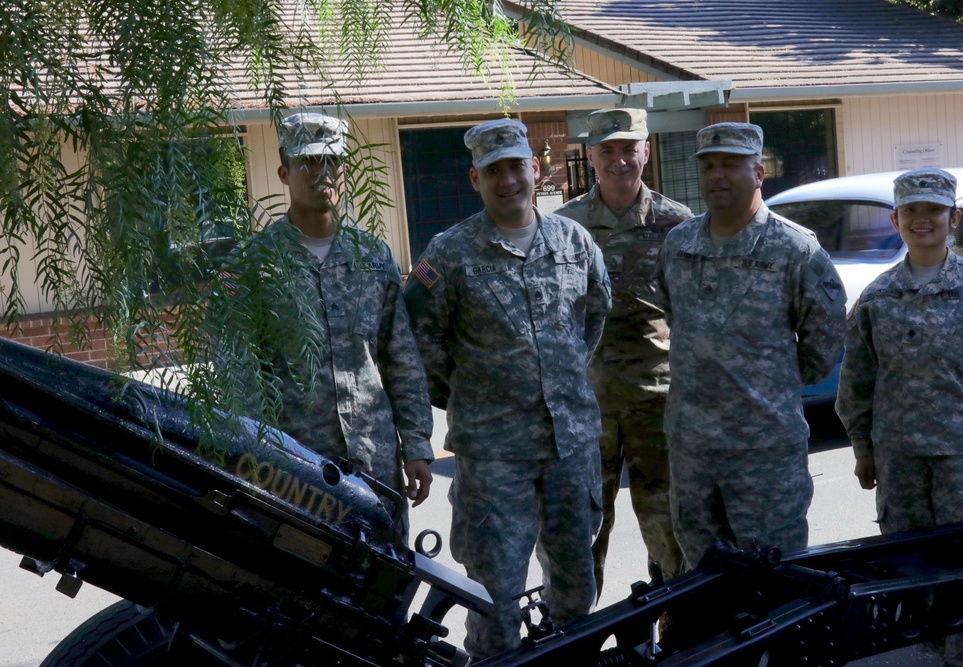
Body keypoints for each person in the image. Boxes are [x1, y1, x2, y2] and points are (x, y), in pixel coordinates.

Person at [402, 118, 611, 659]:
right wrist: (473, 396)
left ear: (534, 168)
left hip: (570, 450)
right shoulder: (447, 256)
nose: (507, 180)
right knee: (495, 599)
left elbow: (592, 320)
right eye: (492, 171)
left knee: (576, 590)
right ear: (476, 179)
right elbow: (419, 345)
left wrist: (558, 381)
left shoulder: (575, 242)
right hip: (494, 457)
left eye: (515, 166)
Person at [221, 112, 434, 532]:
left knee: (385, 578)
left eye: (332, 161)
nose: (322, 174)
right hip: (296, 467)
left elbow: (400, 359)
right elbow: (239, 372)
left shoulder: (374, 257)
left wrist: (417, 446)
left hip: (376, 462)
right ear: (284, 172)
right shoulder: (250, 266)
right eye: (309, 163)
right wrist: (254, 457)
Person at [656, 122, 846, 567]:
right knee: (701, 578)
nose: (717, 175)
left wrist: (767, 383)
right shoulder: (679, 243)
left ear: (759, 172)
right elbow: (673, 314)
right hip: (692, 448)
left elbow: (823, 340)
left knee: (774, 578)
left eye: (730, 165)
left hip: (764, 450)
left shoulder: (794, 249)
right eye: (708, 166)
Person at [836, 168, 963, 666]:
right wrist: (863, 450)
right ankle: (925, 652)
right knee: (909, 563)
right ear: (895, 220)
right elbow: (858, 379)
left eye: (933, 211)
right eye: (911, 212)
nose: (922, 220)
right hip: (899, 456)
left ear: (954, 218)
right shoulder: (879, 296)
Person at [556, 108, 692, 595]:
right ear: (590, 155)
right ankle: (578, 640)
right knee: (582, 533)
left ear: (646, 151)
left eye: (628, 148)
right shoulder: (564, 228)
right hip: (587, 409)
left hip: (656, 402)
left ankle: (679, 640)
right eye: (607, 150)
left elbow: (691, 316)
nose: (619, 160)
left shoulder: (678, 226)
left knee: (670, 530)